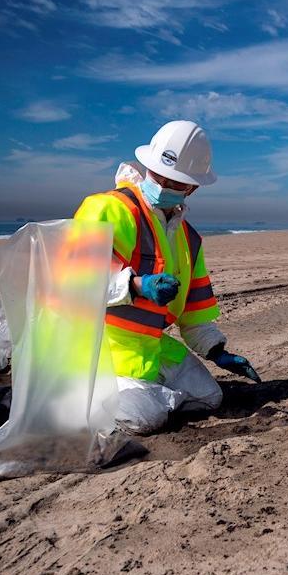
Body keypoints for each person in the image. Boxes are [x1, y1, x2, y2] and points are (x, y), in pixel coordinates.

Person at [72, 120, 260, 434]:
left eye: (175, 181)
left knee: (210, 397)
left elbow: (193, 315)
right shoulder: (108, 210)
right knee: (146, 418)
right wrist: (134, 286)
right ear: (147, 166)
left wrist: (218, 352)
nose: (163, 184)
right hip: (99, 349)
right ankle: (75, 396)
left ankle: (145, 396)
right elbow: (73, 281)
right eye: (159, 174)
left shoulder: (189, 239)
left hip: (151, 349)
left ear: (192, 188)